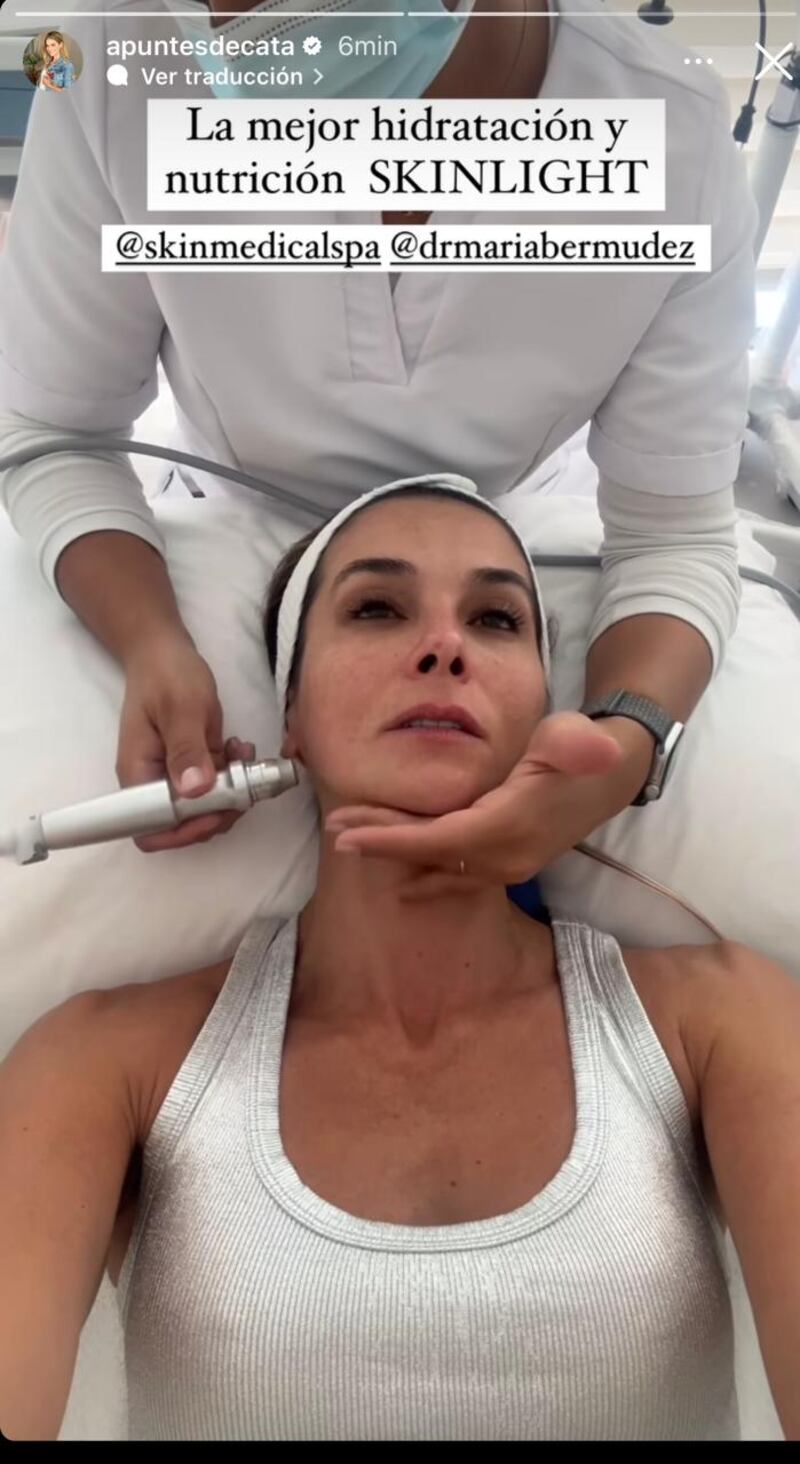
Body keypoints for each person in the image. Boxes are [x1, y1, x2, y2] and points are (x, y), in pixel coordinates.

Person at [1, 478, 798, 1442]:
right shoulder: (102, 1065)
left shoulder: (721, 1021)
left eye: (497, 620)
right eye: (377, 608)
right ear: (290, 717)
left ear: (545, 710)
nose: (445, 645)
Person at [0, 0, 758, 899]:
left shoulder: (671, 136)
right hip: (219, 499)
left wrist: (629, 744)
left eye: (495, 621)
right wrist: (149, 641)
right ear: (284, 725)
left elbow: (674, 536)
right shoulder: (112, 61)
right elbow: (53, 432)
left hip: (509, 504)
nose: (236, 33)